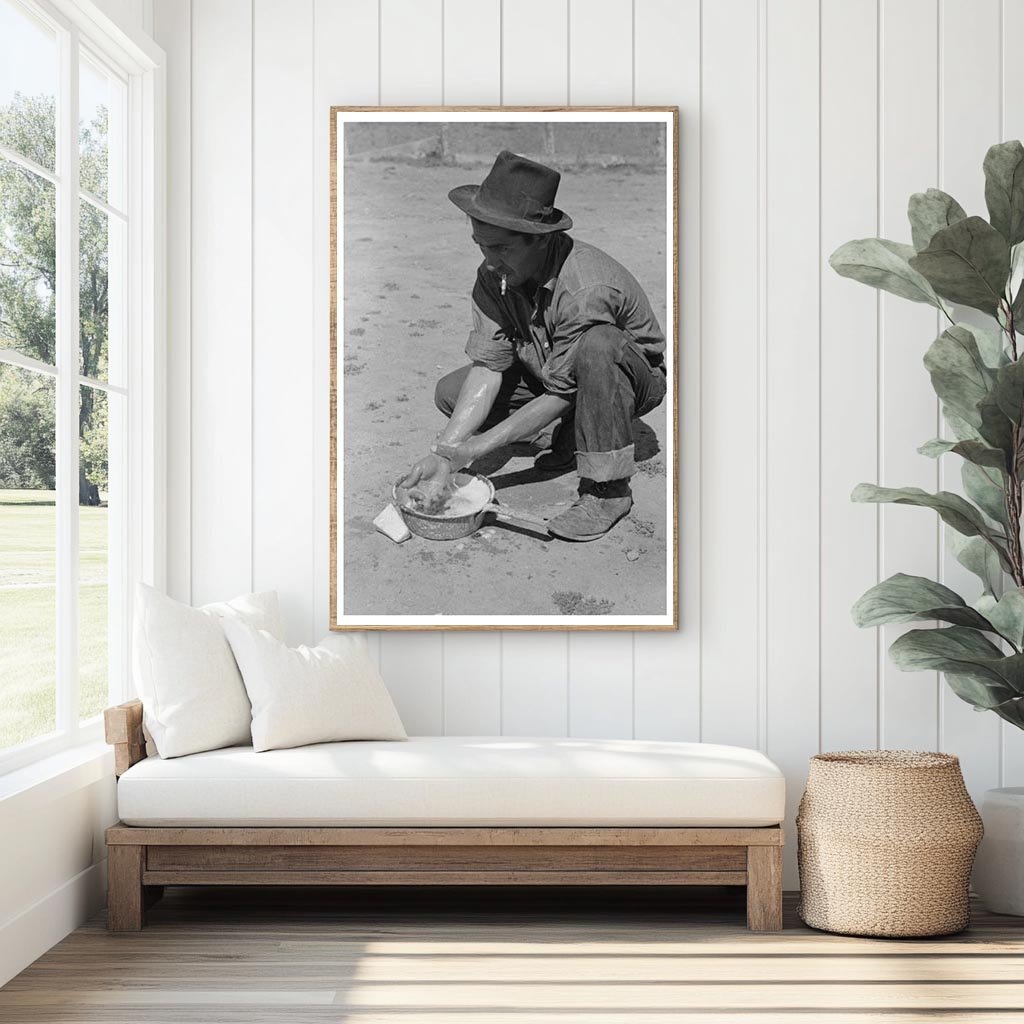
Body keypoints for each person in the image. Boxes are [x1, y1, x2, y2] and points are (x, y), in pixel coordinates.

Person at [400, 150, 666, 541]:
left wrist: (476, 448)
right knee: (452, 394)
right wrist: (447, 453)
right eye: (481, 246)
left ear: (541, 241)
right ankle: (570, 434)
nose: (489, 262)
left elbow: (563, 389)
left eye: (502, 249)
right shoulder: (496, 274)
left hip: (624, 376)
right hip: (553, 368)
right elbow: (489, 366)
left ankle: (607, 492)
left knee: (598, 346)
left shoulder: (585, 287)